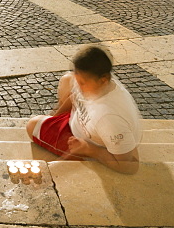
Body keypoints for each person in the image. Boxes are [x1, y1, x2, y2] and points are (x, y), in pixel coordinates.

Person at [26, 45, 143, 174]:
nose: (79, 86)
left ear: (104, 80)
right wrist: (54, 117)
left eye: (82, 82)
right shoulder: (93, 82)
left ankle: (85, 157)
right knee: (67, 79)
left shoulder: (109, 119)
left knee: (32, 126)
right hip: (82, 121)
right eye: (78, 80)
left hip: (85, 143)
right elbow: (74, 96)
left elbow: (129, 166)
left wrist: (90, 149)